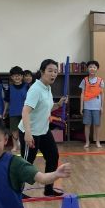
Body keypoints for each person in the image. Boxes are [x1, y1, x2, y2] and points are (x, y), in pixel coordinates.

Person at [19, 59, 67, 197]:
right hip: (30, 132)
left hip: (43, 131)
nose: (53, 74)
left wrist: (58, 104)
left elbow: (45, 108)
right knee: (26, 163)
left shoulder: (47, 88)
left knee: (53, 156)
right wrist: (28, 134)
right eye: (50, 71)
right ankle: (17, 192)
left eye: (55, 71)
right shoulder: (36, 89)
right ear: (42, 72)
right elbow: (25, 111)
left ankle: (48, 189)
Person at [79, 60, 104, 148]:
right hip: (87, 107)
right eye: (90, 67)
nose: (92, 69)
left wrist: (102, 106)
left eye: (94, 67)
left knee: (97, 124)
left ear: (97, 69)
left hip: (97, 107)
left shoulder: (100, 80)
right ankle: (87, 142)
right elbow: (82, 94)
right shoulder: (84, 80)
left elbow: (102, 94)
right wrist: (81, 107)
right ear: (87, 68)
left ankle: (97, 141)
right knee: (87, 125)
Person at [6, 66, 28, 154]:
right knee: (14, 130)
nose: (17, 77)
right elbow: (7, 101)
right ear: (11, 77)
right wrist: (4, 111)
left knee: (25, 129)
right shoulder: (10, 87)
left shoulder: (27, 86)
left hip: (25, 112)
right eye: (15, 75)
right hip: (13, 112)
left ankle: (24, 145)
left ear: (22, 76)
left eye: (19, 75)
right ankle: (15, 146)